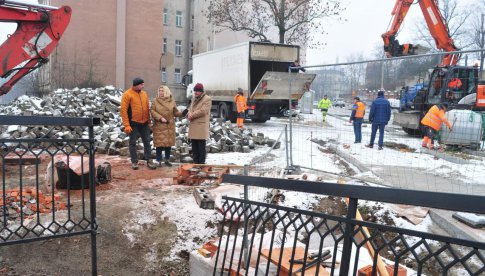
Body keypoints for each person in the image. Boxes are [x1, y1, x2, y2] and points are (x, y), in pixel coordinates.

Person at [120, 77, 157, 170]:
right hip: (133, 124)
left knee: (147, 142)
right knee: (132, 143)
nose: (143, 86)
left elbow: (147, 109)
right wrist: (127, 125)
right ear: (136, 85)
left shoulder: (144, 94)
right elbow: (123, 110)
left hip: (144, 123)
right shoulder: (127, 94)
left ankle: (149, 160)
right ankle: (134, 162)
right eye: (141, 84)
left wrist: (149, 122)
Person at [150, 85, 183, 167]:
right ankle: (159, 160)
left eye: (162, 91)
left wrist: (182, 113)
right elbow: (152, 111)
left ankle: (167, 159)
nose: (160, 92)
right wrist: (160, 118)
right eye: (159, 91)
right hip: (159, 124)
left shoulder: (172, 101)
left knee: (168, 144)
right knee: (159, 144)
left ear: (166, 92)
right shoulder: (155, 101)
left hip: (169, 124)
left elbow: (175, 112)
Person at [188, 83, 212, 164]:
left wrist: (192, 115)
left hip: (201, 126)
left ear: (201, 91)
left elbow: (203, 111)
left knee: (201, 147)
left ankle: (201, 164)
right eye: (195, 91)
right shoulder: (194, 98)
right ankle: (195, 163)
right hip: (194, 125)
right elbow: (190, 108)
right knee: (194, 147)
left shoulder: (207, 99)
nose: (196, 92)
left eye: (197, 91)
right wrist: (189, 114)